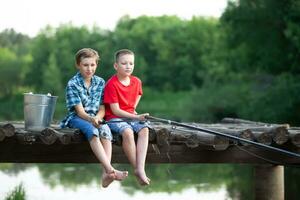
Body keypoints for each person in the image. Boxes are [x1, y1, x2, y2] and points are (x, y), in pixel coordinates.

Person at [60, 48, 128, 188]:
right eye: (85, 65)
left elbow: (102, 107)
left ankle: (105, 175)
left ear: (96, 65)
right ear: (78, 65)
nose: (89, 69)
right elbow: (79, 112)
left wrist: (98, 117)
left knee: (105, 130)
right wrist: (92, 120)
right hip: (77, 118)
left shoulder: (100, 82)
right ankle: (110, 169)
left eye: (92, 65)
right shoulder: (73, 84)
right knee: (93, 131)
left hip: (96, 117)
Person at [104, 49, 150, 186]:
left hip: (131, 116)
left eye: (131, 63)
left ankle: (140, 168)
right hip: (114, 118)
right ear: (116, 66)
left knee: (145, 130)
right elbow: (116, 110)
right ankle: (137, 169)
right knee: (128, 132)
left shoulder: (136, 81)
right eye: (124, 63)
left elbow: (139, 94)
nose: (128, 66)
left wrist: (133, 108)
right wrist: (136, 116)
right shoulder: (111, 84)